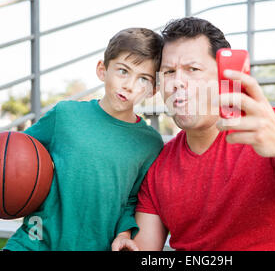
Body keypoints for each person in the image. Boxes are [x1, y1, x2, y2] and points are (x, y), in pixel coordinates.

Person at [128, 17, 275, 251]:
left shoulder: (273, 129)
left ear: (224, 76)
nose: (177, 82)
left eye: (192, 69)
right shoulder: (159, 167)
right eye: (169, 72)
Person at [4, 28, 164, 251]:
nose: (129, 85)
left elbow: (132, 201)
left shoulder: (150, 143)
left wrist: (124, 233)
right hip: (35, 241)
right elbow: (14, 155)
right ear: (102, 70)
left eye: (143, 79)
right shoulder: (65, 115)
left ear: (153, 90)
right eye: (123, 71)